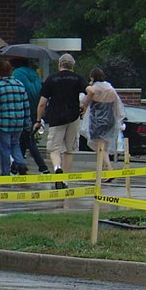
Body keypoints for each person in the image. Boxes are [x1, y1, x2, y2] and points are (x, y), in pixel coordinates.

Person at [37, 53, 88, 189]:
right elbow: (92, 91)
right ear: (73, 66)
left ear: (60, 64)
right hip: (73, 117)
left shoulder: (52, 79)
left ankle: (57, 168)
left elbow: (42, 103)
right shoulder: (78, 79)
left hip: (56, 118)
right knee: (69, 150)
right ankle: (65, 180)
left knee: (54, 149)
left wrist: (38, 119)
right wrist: (85, 106)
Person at [80, 66, 125, 179]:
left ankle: (109, 170)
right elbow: (118, 106)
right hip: (109, 118)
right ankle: (102, 171)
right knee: (104, 145)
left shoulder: (94, 89)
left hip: (97, 119)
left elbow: (85, 101)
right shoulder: (110, 88)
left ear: (92, 77)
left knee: (100, 147)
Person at [0, 59, 31, 176]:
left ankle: (5, 173)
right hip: (18, 122)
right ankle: (21, 163)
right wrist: (27, 123)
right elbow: (26, 105)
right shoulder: (19, 85)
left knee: (5, 149)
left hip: (4, 123)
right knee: (15, 144)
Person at [12, 57, 49, 173]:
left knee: (28, 139)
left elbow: (16, 91)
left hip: (23, 110)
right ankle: (18, 166)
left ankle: (43, 167)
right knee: (24, 138)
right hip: (35, 109)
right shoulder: (34, 74)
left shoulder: (16, 74)